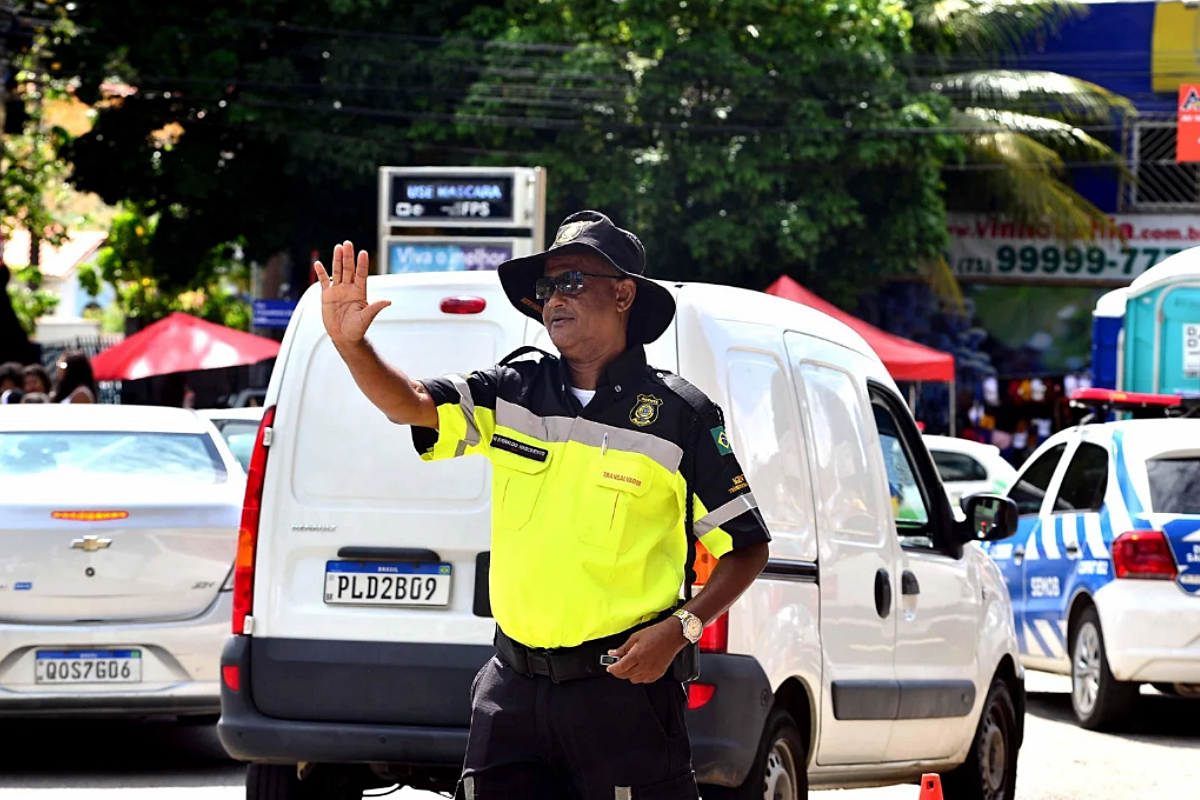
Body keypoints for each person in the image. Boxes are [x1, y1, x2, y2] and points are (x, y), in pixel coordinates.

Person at [315, 211, 771, 800]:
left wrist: (682, 629)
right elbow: (411, 404)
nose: (554, 297)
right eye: (546, 286)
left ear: (624, 294)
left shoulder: (680, 415)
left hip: (623, 694)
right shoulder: (512, 389)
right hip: (512, 691)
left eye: (573, 281)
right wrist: (354, 347)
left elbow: (748, 546)